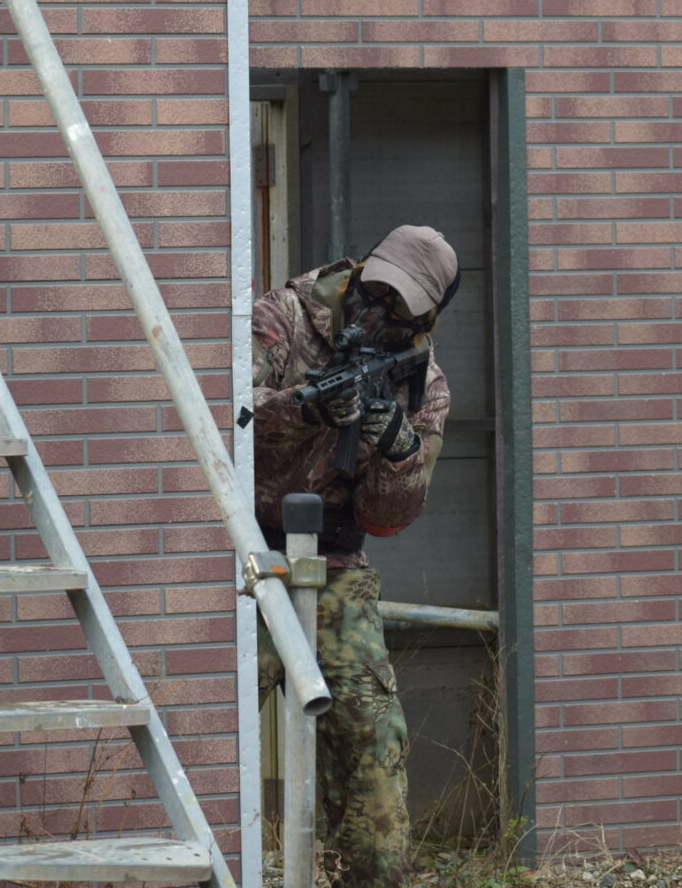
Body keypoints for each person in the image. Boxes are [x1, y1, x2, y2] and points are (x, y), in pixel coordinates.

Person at [250, 224, 458, 887]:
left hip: (337, 564)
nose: (379, 311)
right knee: (216, 722)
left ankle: (367, 876)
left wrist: (398, 452)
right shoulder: (283, 316)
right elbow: (226, 416)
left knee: (374, 741)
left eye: (401, 307)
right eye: (376, 291)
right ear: (362, 269)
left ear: (427, 319)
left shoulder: (424, 386)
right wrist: (302, 411)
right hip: (248, 557)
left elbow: (388, 517)